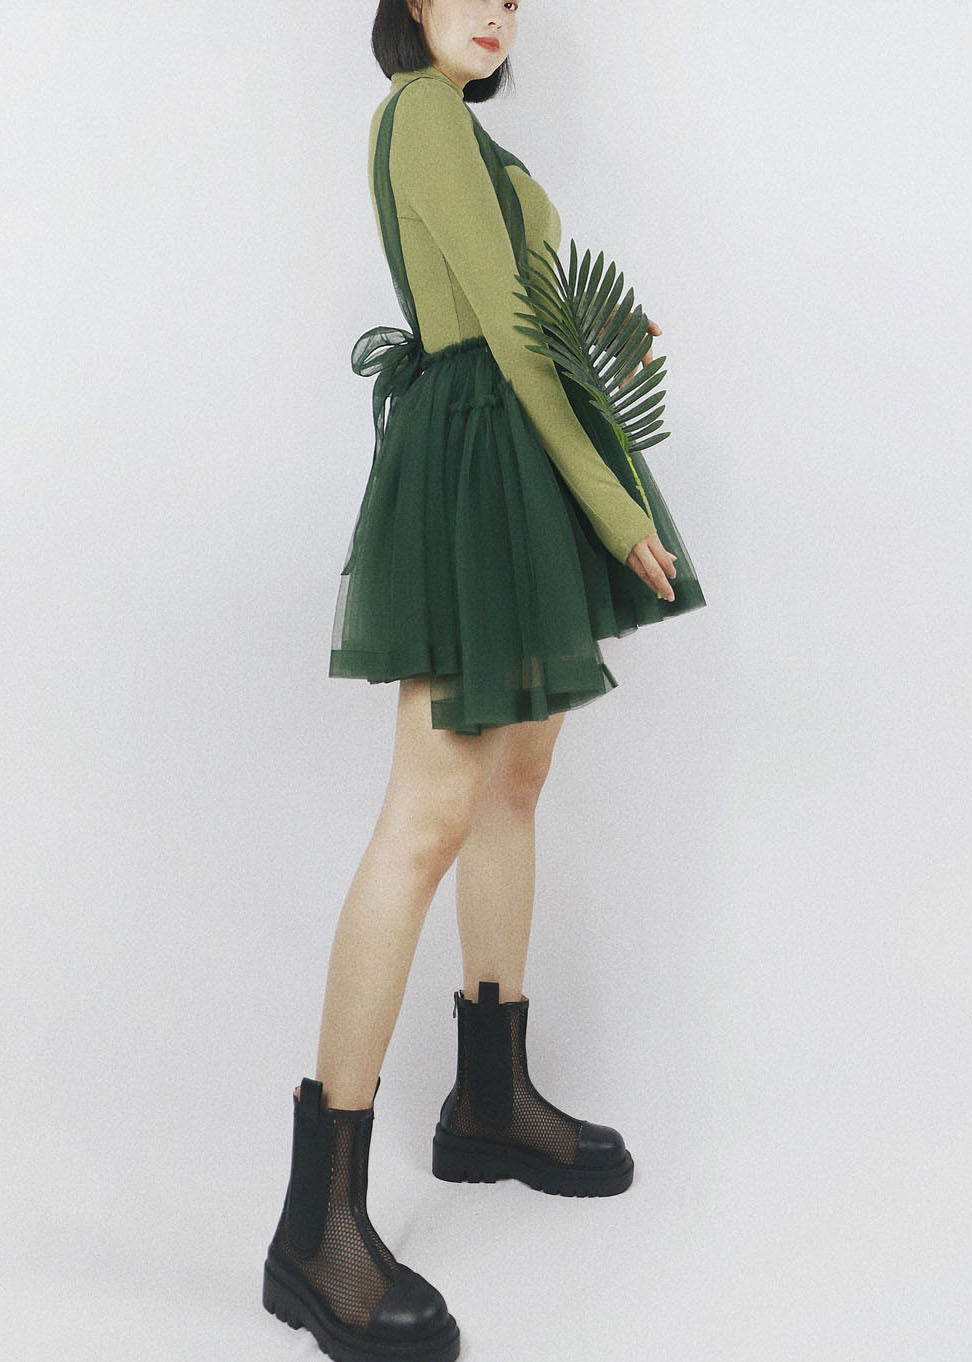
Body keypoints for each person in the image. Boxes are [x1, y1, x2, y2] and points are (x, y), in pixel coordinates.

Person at [262, 3, 706, 1359]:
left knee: (516, 780)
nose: (499, 11)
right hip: (476, 465)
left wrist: (608, 375)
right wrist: (615, 496)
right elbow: (510, 337)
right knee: (427, 816)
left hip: (510, 462)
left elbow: (544, 327)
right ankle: (316, 1225)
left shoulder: (473, 137)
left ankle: (489, 1101)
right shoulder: (422, 115)